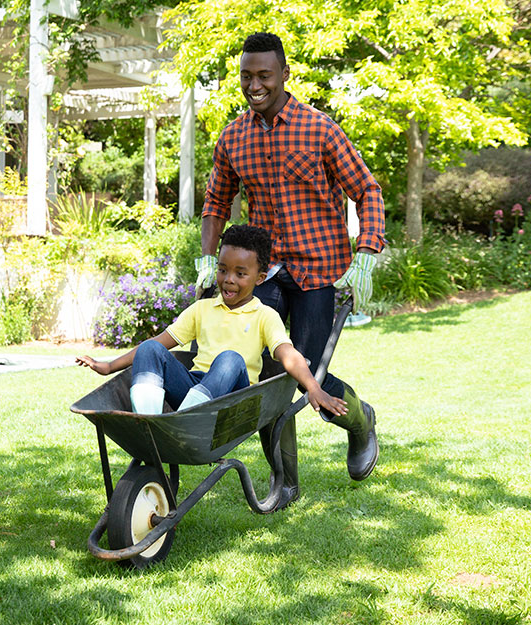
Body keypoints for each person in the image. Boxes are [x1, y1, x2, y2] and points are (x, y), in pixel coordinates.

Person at [195, 32, 385, 491]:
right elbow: (216, 204)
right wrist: (207, 258)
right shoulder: (234, 137)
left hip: (319, 270)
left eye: (264, 75)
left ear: (284, 74)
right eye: (246, 76)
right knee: (265, 369)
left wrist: (366, 254)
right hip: (267, 273)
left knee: (307, 374)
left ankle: (360, 422)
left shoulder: (319, 129)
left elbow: (367, 190)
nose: (254, 84)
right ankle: (286, 483)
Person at [77, 225, 347, 422]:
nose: (229, 279)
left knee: (230, 359)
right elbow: (160, 343)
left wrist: (313, 387)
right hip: (195, 388)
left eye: (241, 274)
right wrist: (109, 366)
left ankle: (187, 419)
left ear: (260, 278)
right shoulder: (202, 309)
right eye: (222, 270)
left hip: (235, 397)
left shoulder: (264, 315)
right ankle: (152, 423)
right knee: (150, 349)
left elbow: (288, 355)